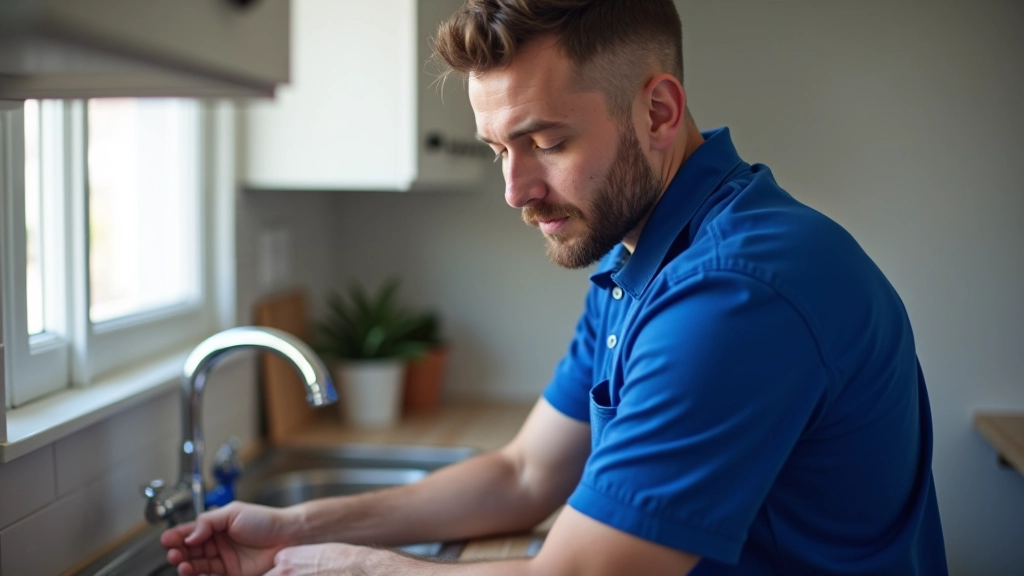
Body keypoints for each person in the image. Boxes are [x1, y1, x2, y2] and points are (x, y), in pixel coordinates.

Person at [162, 1, 948, 574]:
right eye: (499, 148)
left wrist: (348, 567)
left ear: (659, 111)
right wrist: (297, 525)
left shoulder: (732, 296)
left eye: (545, 142)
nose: (515, 189)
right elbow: (525, 472)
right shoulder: (638, 258)